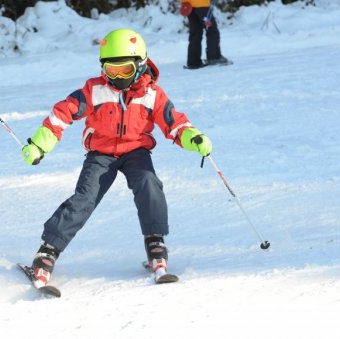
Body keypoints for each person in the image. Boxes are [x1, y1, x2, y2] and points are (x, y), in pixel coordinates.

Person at [21, 28, 212, 286]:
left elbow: (174, 123)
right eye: (112, 71)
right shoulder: (94, 91)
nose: (118, 77)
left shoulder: (152, 94)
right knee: (84, 198)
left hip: (136, 151)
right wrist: (39, 145)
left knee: (149, 184)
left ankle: (155, 241)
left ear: (140, 64)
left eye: (125, 70)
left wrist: (193, 138)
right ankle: (48, 251)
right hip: (101, 153)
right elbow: (62, 113)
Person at [181, 0, 229, 69]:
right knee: (212, 30)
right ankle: (214, 57)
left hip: (188, 4)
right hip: (202, 4)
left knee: (195, 33)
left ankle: (193, 62)